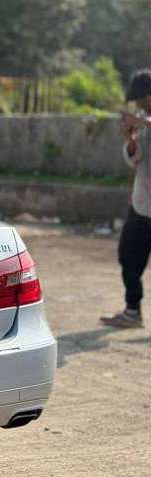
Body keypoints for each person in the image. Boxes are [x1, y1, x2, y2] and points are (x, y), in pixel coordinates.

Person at [101, 69, 151, 329]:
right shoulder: (143, 121)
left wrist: (142, 122)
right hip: (143, 204)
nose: (140, 105)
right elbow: (135, 158)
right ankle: (133, 311)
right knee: (128, 256)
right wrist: (130, 137)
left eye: (142, 99)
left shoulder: (146, 120)